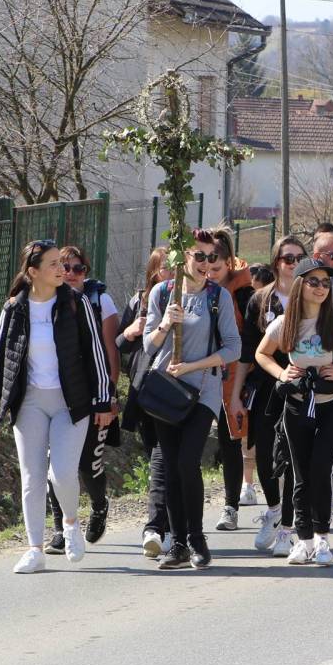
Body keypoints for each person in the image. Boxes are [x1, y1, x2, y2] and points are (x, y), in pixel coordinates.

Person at [0, 240, 113, 573]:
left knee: (62, 473)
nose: (62, 270)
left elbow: (96, 353)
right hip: (30, 404)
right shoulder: (14, 308)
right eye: (54, 264)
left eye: (63, 264)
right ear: (33, 271)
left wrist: (103, 399)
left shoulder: (76, 303)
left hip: (71, 403)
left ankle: (70, 523)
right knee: (32, 477)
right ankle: (34, 549)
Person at [255, 258, 333, 566]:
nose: (321, 288)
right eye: (314, 282)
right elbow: (261, 353)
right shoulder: (285, 323)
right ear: (300, 285)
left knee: (322, 469)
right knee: (300, 475)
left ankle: (323, 539)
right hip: (297, 405)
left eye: (326, 283)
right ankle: (304, 540)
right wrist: (281, 373)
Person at [142, 229, 242, 570]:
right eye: (199, 257)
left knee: (188, 461)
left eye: (211, 257)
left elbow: (233, 348)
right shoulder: (162, 293)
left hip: (203, 389)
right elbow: (148, 346)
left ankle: (197, 539)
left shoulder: (219, 297)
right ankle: (179, 545)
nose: (206, 263)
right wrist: (167, 323)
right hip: (166, 389)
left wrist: (194, 364)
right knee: (171, 466)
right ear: (182, 258)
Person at [228, 236, 308, 557]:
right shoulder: (260, 301)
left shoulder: (314, 296)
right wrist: (235, 396)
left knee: (291, 456)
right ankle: (274, 510)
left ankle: (288, 528)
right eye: (288, 258)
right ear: (276, 262)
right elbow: (247, 353)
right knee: (262, 453)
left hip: (303, 387)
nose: (293, 264)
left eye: (299, 258)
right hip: (265, 387)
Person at [45, 245, 120, 553]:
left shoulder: (100, 300)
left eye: (80, 269)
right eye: (67, 267)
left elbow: (110, 352)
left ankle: (99, 505)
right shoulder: (45, 301)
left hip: (94, 395)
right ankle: (60, 528)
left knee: (88, 465)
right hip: (58, 397)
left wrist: (109, 398)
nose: (73, 274)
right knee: (56, 467)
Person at [115, 247, 173, 557]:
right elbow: (119, 345)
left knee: (163, 459)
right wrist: (130, 330)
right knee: (157, 457)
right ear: (154, 271)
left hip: (174, 389)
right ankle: (165, 525)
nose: (172, 273)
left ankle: (158, 527)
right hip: (145, 388)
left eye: (176, 267)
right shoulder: (140, 301)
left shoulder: (188, 298)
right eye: (165, 268)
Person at [204, 226, 260, 532]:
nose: (210, 273)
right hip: (200, 374)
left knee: (233, 441)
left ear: (229, 263)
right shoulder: (194, 288)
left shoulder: (243, 293)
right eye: (206, 267)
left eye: (217, 267)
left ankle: (231, 506)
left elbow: (251, 340)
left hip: (237, 376)